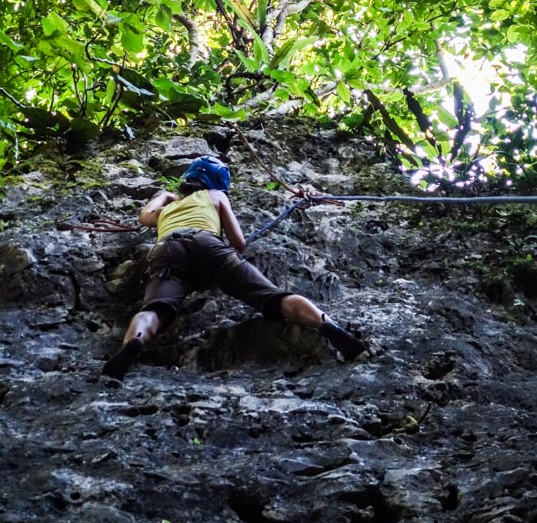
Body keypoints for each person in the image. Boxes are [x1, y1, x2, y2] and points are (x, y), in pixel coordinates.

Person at [102, 155, 366, 380]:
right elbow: (238, 242)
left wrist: (165, 196)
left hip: (167, 249)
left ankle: (134, 340)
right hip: (206, 242)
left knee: (156, 308)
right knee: (271, 297)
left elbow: (144, 216)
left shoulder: (166, 211)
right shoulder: (216, 196)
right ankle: (326, 324)